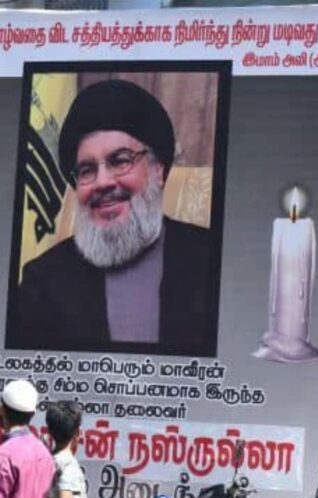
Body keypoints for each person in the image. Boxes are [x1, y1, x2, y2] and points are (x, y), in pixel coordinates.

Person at [11, 79, 218, 356]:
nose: (102, 182)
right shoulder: (43, 280)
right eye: (86, 170)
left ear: (158, 171)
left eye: (120, 160)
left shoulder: (211, 260)